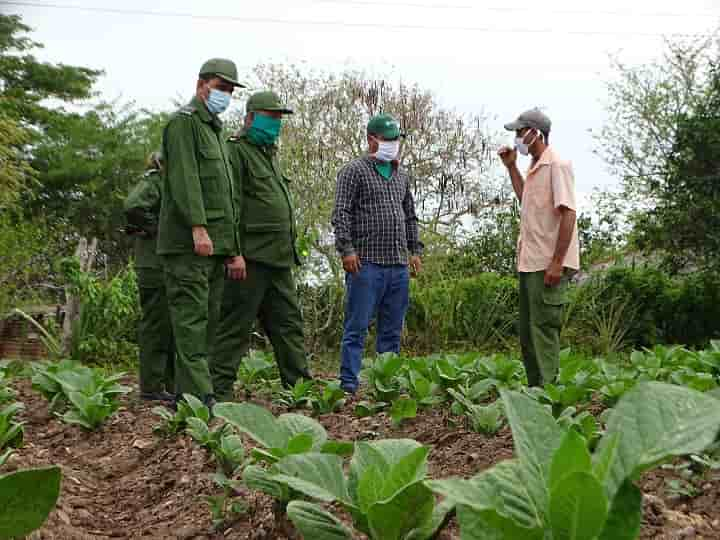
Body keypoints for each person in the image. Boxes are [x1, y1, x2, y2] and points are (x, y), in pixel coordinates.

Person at [211, 91, 311, 402]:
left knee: (289, 326)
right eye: (271, 117)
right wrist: (232, 252)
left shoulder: (269, 155)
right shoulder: (236, 152)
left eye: (279, 119)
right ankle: (216, 394)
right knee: (235, 328)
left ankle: (299, 391)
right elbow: (230, 205)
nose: (276, 124)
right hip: (249, 259)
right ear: (251, 117)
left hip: (278, 258)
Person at [157, 58, 246, 406]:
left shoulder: (216, 131)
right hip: (189, 244)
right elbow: (185, 180)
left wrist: (233, 247)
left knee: (207, 323)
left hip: (215, 247)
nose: (225, 94)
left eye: (229, 90)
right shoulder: (184, 124)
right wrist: (198, 226)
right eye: (220, 88)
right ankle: (199, 396)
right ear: (201, 85)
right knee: (191, 322)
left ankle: (188, 393)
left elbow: (227, 196)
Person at [331, 113, 423, 394]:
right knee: (357, 327)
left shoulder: (402, 175)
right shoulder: (353, 171)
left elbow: (409, 216)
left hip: (397, 265)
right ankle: (348, 384)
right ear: (373, 139)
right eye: (389, 139)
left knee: (392, 330)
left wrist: (414, 250)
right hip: (365, 263)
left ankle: (386, 384)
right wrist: (346, 249)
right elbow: (341, 212)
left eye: (397, 139)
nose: (395, 144)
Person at [498, 108, 580, 387]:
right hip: (529, 261)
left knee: (543, 329)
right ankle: (537, 391)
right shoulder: (535, 166)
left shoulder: (557, 164)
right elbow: (527, 200)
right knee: (528, 333)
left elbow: (568, 213)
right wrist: (511, 167)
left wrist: (557, 262)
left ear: (535, 133)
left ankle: (549, 395)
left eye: (521, 132)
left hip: (547, 263)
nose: (517, 138)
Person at [124, 152, 175, 402]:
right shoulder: (154, 181)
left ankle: (168, 384)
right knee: (156, 324)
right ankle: (151, 386)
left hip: (166, 263)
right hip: (153, 264)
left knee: (171, 324)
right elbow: (133, 206)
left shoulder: (171, 183)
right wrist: (158, 229)